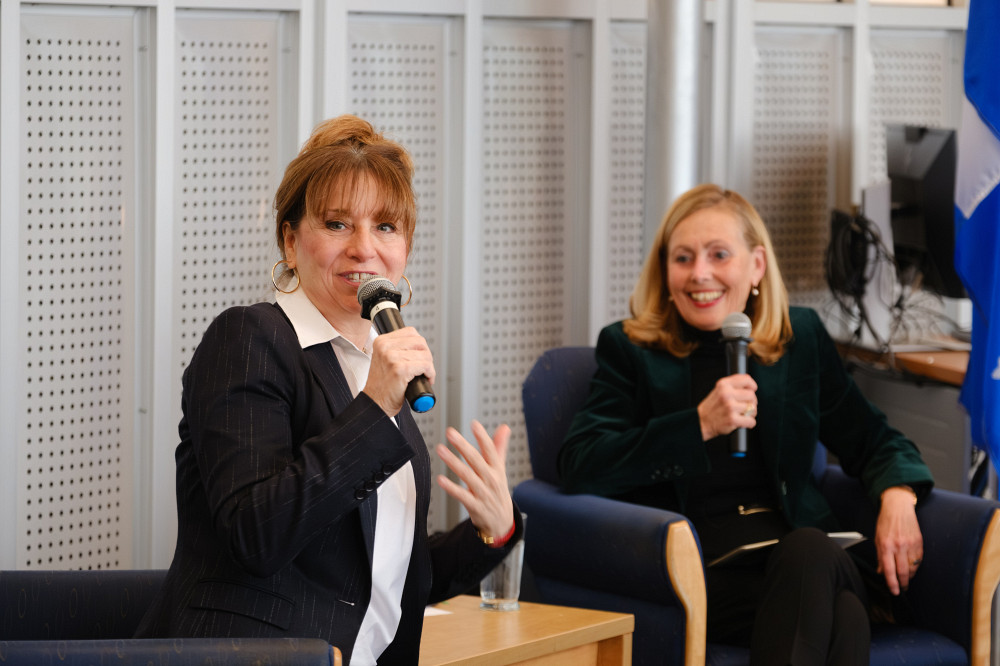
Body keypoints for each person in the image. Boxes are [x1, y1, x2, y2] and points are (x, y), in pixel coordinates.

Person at [135, 114, 522, 665]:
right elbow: (257, 533)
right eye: (338, 224)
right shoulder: (249, 339)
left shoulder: (374, 369)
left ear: (406, 246)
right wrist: (375, 407)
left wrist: (495, 530)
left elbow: (379, 581)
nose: (364, 248)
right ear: (291, 242)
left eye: (385, 227)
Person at [557, 184, 933, 664]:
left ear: (756, 265)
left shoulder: (800, 340)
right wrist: (696, 425)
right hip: (705, 572)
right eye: (684, 258)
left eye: (719, 255)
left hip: (802, 554)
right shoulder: (630, 350)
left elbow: (875, 440)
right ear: (664, 271)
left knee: (809, 555)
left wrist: (898, 497)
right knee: (846, 614)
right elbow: (581, 462)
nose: (700, 274)